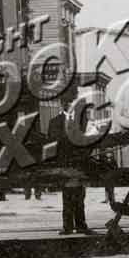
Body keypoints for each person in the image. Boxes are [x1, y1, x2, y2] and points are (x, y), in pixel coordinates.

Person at [48, 99, 95, 235]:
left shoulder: (81, 121)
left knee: (80, 196)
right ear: (63, 104)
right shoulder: (55, 122)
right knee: (67, 196)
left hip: (79, 164)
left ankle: (81, 225)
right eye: (69, 103)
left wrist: (84, 156)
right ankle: (68, 226)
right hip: (65, 164)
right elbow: (52, 143)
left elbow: (89, 141)